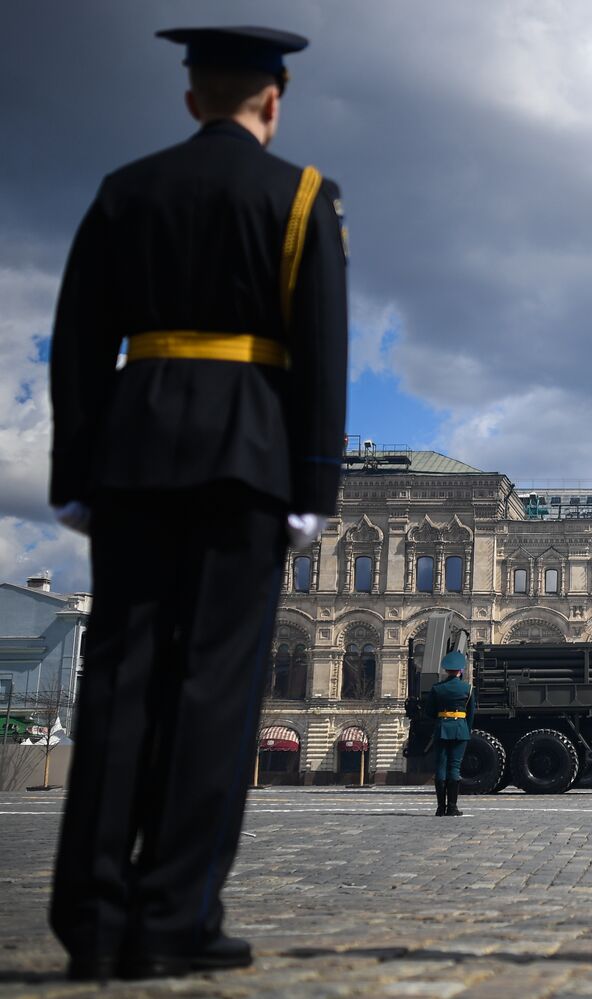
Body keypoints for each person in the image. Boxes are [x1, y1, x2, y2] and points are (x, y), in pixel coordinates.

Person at [47, 27, 347, 981]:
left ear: (191, 99)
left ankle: (92, 920)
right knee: (217, 688)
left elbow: (78, 341)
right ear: (273, 101)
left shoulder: (125, 189)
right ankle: (175, 914)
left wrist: (73, 473)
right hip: (246, 462)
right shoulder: (301, 196)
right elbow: (321, 355)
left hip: (133, 451)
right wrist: (313, 490)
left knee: (119, 677)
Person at [425, 651, 477, 816]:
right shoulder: (468, 689)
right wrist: (466, 730)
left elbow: (429, 712)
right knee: (455, 767)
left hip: (442, 729)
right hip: (460, 729)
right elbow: (471, 713)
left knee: (440, 766)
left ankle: (440, 808)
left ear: (446, 670)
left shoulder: (437, 688)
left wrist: (440, 721)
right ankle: (452, 807)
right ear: (460, 670)